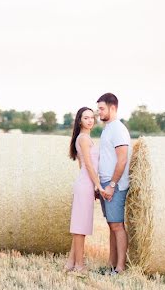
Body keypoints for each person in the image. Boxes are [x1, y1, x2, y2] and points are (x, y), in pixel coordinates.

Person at [96, 92, 131, 274]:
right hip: (105, 183)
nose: (98, 112)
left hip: (115, 184)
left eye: (101, 108)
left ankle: (120, 268)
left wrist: (111, 184)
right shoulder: (107, 129)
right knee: (111, 224)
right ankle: (111, 264)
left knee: (117, 225)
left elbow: (122, 159)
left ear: (113, 108)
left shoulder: (118, 129)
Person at [65, 107, 100, 275]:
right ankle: (79, 265)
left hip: (84, 184)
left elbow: (81, 166)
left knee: (81, 226)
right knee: (80, 228)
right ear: (80, 121)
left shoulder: (84, 138)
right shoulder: (84, 138)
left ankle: (70, 263)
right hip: (85, 184)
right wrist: (98, 185)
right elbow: (88, 165)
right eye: (86, 118)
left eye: (92, 117)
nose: (90, 120)